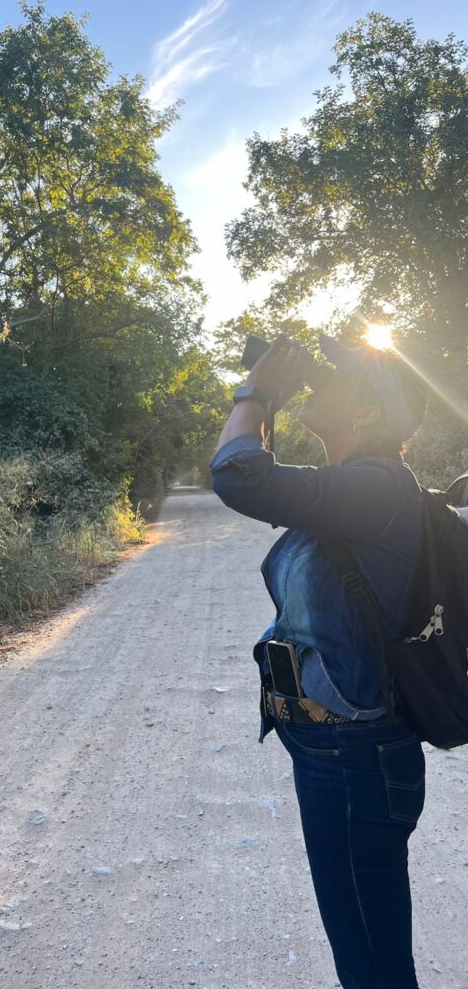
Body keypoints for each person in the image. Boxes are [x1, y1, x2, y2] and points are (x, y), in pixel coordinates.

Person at [208, 332, 429, 989]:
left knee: (372, 965)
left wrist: (257, 393)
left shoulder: (375, 490)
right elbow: (263, 476)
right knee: (367, 951)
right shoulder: (353, 490)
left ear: (365, 413)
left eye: (331, 380)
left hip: (358, 763)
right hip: (337, 755)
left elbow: (237, 472)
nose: (314, 384)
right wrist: (267, 398)